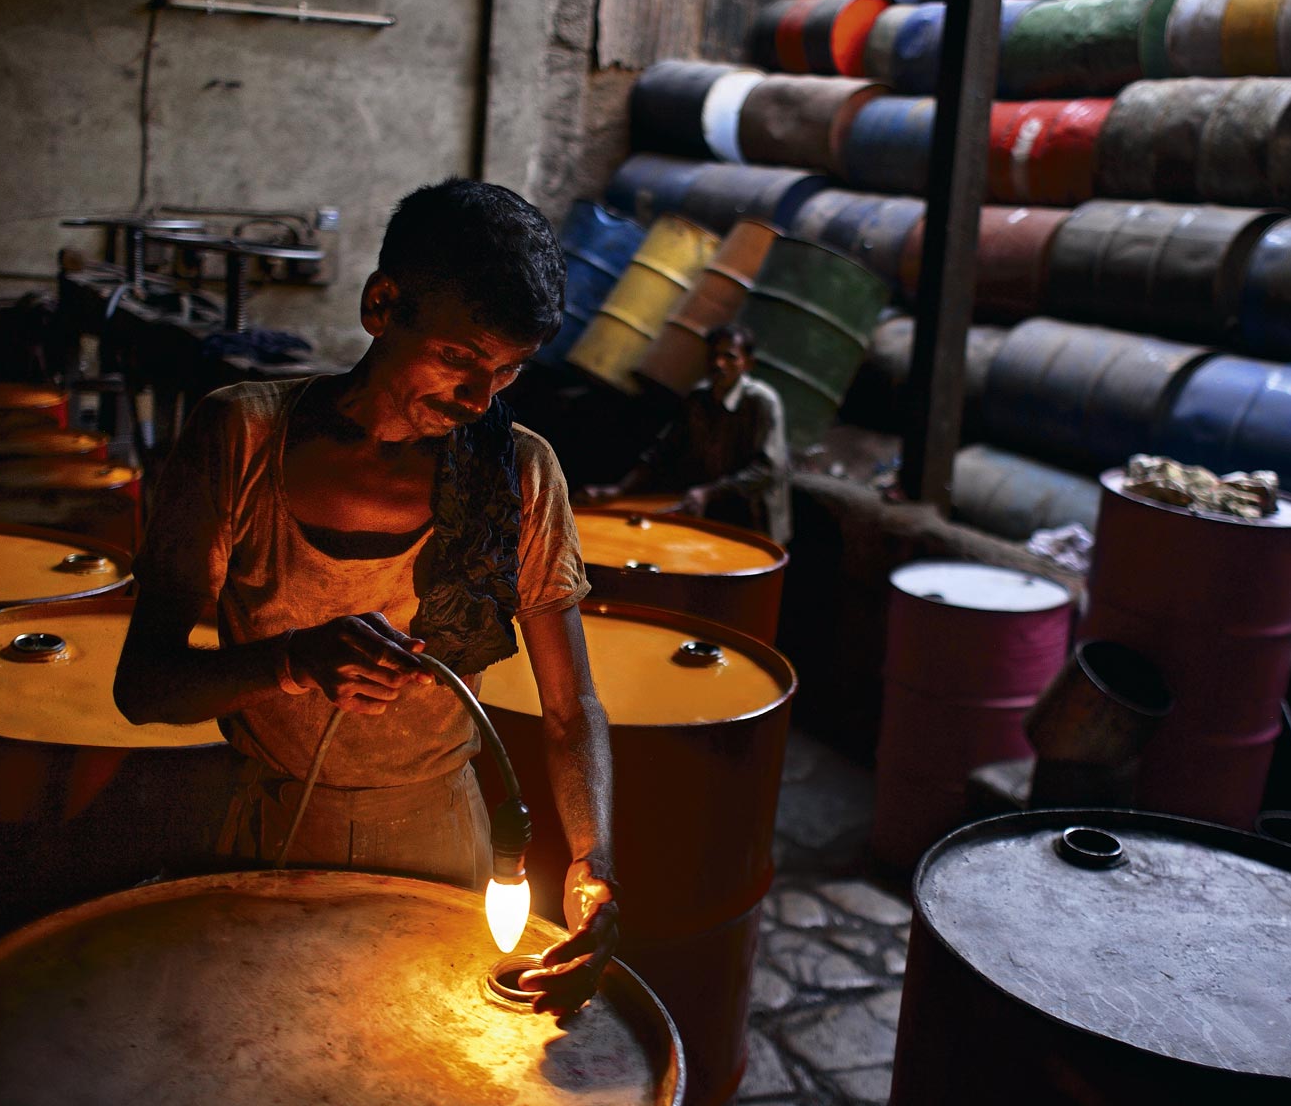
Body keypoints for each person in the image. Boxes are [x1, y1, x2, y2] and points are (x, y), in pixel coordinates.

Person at [114, 178, 616, 1014]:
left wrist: (594, 866)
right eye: (459, 358)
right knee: (263, 1040)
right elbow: (146, 685)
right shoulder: (243, 437)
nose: (478, 399)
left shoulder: (517, 475)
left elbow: (571, 711)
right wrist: (290, 661)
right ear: (381, 304)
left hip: (440, 839)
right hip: (262, 826)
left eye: (508, 371)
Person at [583, 324, 791, 544]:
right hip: (709, 512)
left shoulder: (762, 402)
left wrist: (708, 492)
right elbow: (664, 450)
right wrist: (620, 489)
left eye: (729, 357)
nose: (718, 363)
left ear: (748, 364)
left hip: (752, 519)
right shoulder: (699, 398)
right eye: (713, 355)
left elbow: (768, 469)